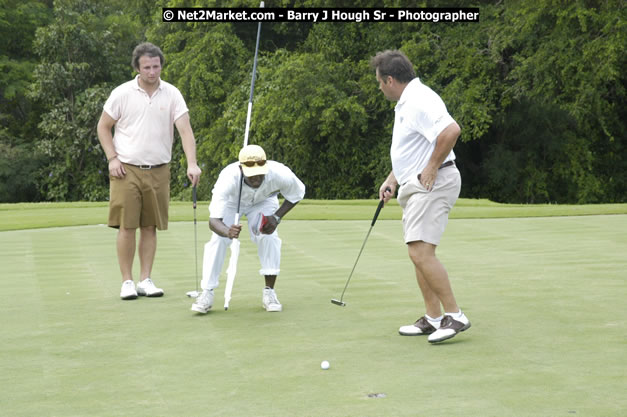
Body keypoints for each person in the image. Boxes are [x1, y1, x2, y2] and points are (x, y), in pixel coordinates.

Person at [370, 50, 470, 343]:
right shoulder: (407, 103)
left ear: (390, 80)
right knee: (417, 252)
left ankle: (455, 315)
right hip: (415, 185)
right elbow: (412, 149)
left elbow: (451, 130)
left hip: (435, 183)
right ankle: (433, 317)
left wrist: (431, 167)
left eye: (379, 82)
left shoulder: (418, 100)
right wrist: (392, 179)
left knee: (420, 252)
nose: (379, 88)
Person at [97, 42, 202, 300]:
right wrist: (112, 158)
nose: (152, 72)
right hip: (126, 169)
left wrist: (192, 163)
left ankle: (145, 279)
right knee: (127, 226)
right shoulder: (122, 93)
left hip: (159, 169)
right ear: (137, 67)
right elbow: (103, 127)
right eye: (147, 67)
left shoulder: (172, 94)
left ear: (161, 66)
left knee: (150, 226)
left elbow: (185, 131)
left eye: (156, 66)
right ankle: (127, 282)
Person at [191, 144, 305, 314]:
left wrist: (277, 217)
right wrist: (227, 231)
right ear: (241, 168)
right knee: (219, 239)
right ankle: (207, 293)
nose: (256, 178)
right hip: (232, 203)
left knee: (269, 237)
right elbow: (214, 221)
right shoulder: (228, 178)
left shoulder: (280, 173)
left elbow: (297, 193)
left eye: (260, 173)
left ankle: (269, 293)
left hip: (264, 202)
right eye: (252, 175)